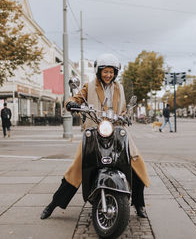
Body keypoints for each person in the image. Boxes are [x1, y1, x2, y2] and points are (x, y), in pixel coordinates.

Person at [40, 53, 150, 220]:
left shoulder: (119, 88)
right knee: (77, 167)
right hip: (94, 130)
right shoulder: (89, 86)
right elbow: (75, 98)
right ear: (99, 72)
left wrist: (127, 115)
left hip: (116, 130)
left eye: (111, 72)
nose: (108, 75)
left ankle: (139, 204)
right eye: (105, 71)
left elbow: (124, 108)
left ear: (115, 73)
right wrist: (71, 103)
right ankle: (53, 204)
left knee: (135, 161)